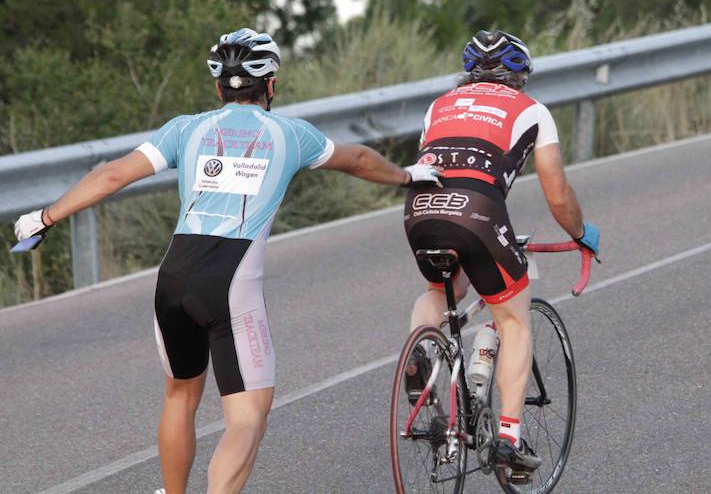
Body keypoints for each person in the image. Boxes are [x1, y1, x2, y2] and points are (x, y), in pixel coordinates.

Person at [13, 28, 441, 494]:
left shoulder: (185, 128)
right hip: (230, 279)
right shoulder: (292, 134)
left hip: (173, 274)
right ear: (271, 85)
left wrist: (44, 217)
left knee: (180, 395)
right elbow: (357, 159)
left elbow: (113, 174)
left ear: (219, 87)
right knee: (246, 417)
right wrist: (407, 176)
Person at [402, 29, 599, 474]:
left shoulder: (440, 105)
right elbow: (557, 192)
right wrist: (581, 232)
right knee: (513, 318)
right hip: (479, 211)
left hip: (420, 207)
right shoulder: (532, 110)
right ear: (520, 76)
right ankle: (509, 438)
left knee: (439, 289)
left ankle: (421, 355)